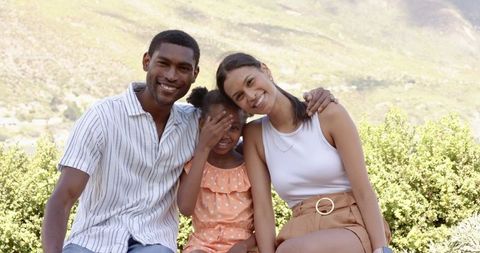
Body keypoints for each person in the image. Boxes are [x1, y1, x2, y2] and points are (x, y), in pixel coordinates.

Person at [41, 30, 335, 253]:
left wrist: (316, 97)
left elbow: (249, 121)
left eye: (183, 68)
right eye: (163, 64)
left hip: (153, 242)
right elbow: (62, 198)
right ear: (146, 61)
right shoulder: (102, 117)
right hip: (93, 240)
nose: (171, 75)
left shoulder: (194, 121)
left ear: (194, 75)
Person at [216, 52, 392, 253]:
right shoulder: (254, 135)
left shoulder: (327, 114)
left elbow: (363, 189)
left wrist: (381, 248)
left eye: (250, 82)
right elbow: (263, 210)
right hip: (299, 230)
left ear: (265, 71)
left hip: (351, 224)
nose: (251, 95)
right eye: (239, 96)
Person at [177, 87, 256, 253]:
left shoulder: (249, 168)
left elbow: (263, 220)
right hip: (202, 245)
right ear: (202, 124)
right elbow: (185, 208)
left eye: (233, 127)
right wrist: (203, 148)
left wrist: (244, 245)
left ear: (242, 128)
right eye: (217, 125)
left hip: (243, 246)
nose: (224, 135)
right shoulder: (195, 164)